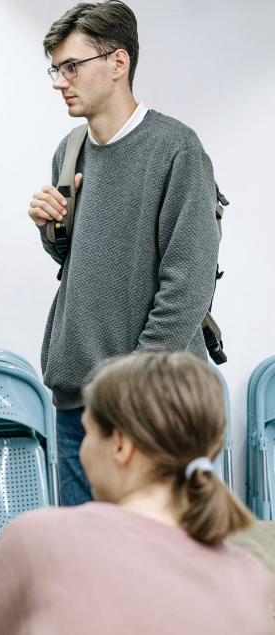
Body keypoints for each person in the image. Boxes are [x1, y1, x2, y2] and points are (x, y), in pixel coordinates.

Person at [26, 0, 220, 505]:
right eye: (55, 68)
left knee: (157, 569)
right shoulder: (68, 151)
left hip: (151, 406)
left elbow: (189, 285)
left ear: (118, 63)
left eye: (72, 66)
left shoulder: (176, 150)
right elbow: (80, 264)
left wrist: (129, 390)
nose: (58, 81)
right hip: (76, 404)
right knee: (83, 567)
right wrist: (53, 231)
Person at [0, 351, 273, 635]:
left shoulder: (41, 539)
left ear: (121, 445)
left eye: (88, 434)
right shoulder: (252, 580)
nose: (82, 451)